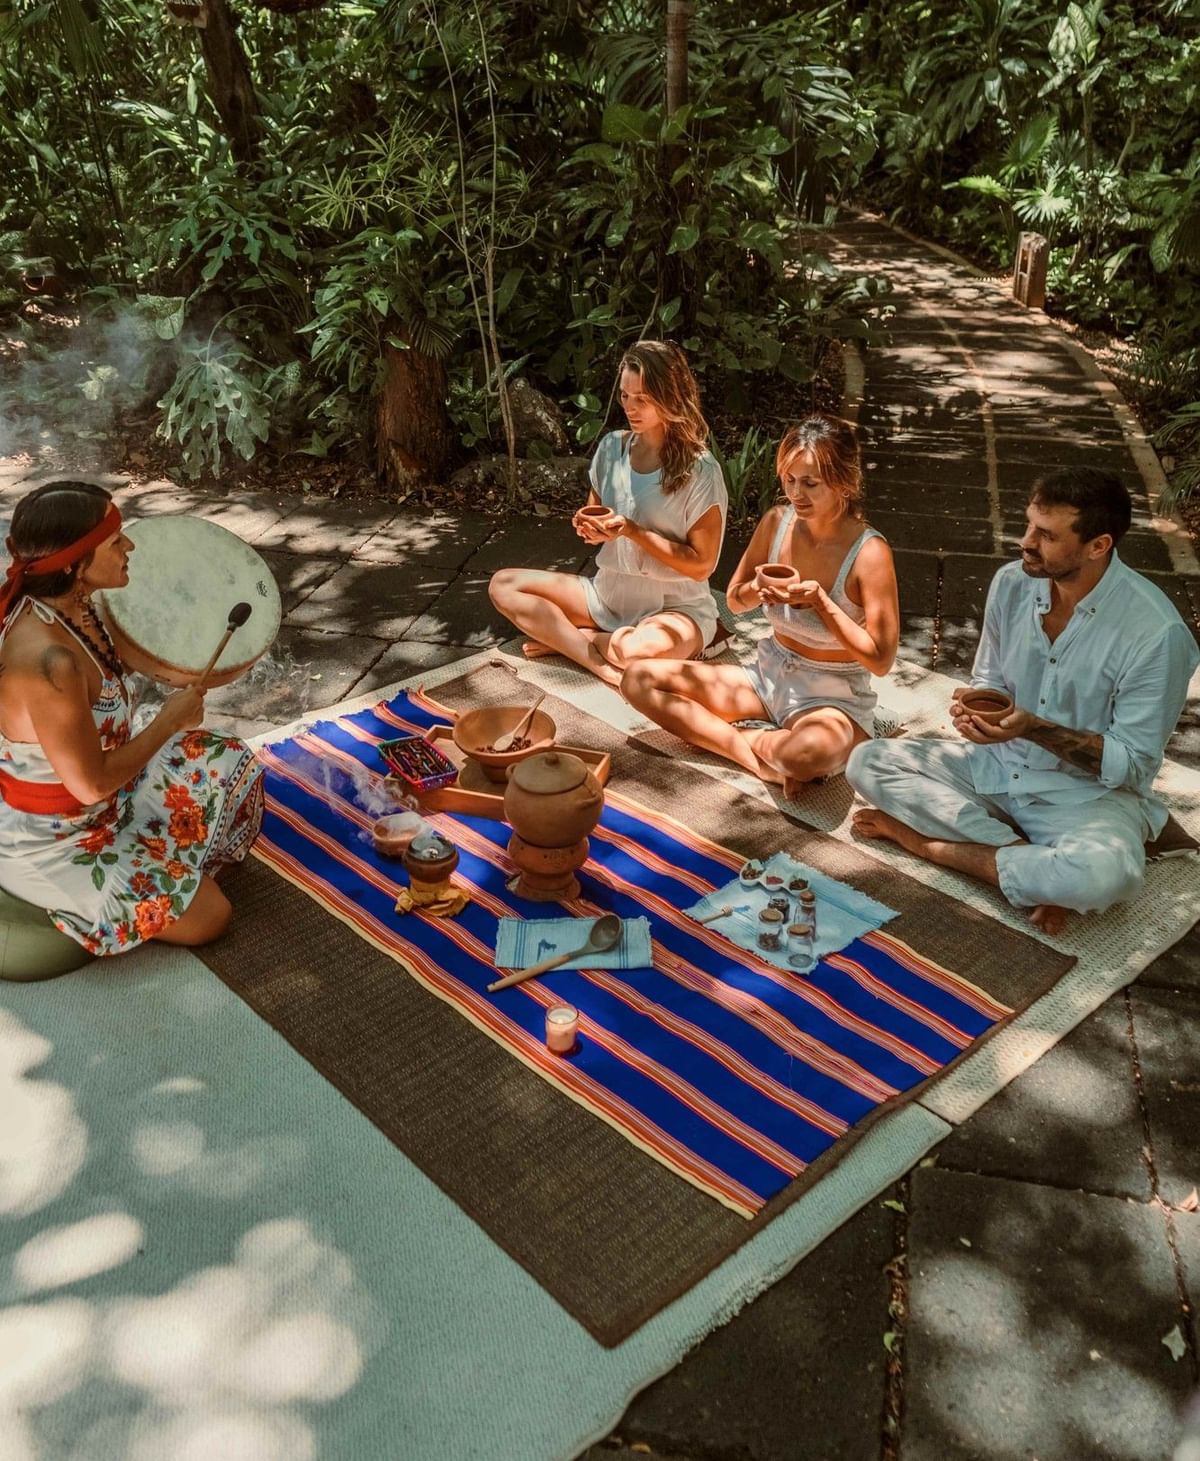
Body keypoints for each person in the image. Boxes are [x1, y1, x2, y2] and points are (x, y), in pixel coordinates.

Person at [847, 466, 1200, 937]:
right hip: (996, 766)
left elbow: (1132, 764)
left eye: (1047, 535)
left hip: (1083, 796)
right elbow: (990, 679)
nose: (1026, 542)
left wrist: (1033, 727)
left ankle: (928, 845)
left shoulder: (1157, 635)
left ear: (1099, 545)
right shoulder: (1013, 582)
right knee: (867, 761)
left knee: (1104, 875)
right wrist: (978, 712)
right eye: (1030, 524)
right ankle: (1032, 867)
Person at [0, 481, 264, 955]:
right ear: (76, 564)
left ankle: (160, 862)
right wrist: (167, 722)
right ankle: (110, 888)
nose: (130, 546)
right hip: (58, 843)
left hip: (109, 804)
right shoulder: (48, 664)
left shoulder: (76, 607)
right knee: (211, 917)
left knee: (226, 760)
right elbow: (89, 785)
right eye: (115, 540)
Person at [622, 414, 899, 796]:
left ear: (844, 482)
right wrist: (758, 587)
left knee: (805, 756)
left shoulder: (870, 553)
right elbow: (734, 603)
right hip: (766, 679)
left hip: (832, 698)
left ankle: (792, 750)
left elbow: (881, 660)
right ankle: (754, 756)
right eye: (788, 480)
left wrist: (820, 601)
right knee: (637, 680)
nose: (795, 494)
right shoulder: (777, 522)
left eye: (809, 483)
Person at [488, 340, 728, 687]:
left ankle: (574, 641)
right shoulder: (611, 447)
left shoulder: (701, 470)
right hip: (608, 595)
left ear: (671, 395)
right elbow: (593, 513)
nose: (631, 407)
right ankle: (599, 663)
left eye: (642, 398)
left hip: (676, 609)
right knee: (503, 586)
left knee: (637, 653)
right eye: (625, 396)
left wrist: (632, 531)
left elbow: (702, 565)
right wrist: (588, 526)